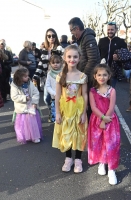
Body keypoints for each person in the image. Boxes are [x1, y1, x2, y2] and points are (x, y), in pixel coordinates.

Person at [52, 45, 88, 173]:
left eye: (75, 57)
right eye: (69, 56)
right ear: (64, 58)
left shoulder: (82, 76)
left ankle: (78, 159)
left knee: (79, 132)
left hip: (78, 108)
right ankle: (68, 158)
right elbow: (57, 96)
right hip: (65, 108)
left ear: (79, 58)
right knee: (66, 133)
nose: (72, 59)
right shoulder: (60, 75)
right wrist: (57, 112)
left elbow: (84, 95)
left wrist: (84, 112)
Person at [88, 64, 120, 185]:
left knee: (111, 144)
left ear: (109, 76)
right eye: (99, 75)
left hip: (110, 121)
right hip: (96, 120)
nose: (102, 77)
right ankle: (102, 162)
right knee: (99, 142)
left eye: (105, 75)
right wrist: (101, 118)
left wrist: (105, 120)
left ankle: (111, 169)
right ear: (95, 76)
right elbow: (93, 107)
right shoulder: (92, 91)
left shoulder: (112, 90)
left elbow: (112, 107)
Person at [11, 67, 42, 144]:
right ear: (20, 78)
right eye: (25, 76)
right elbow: (14, 97)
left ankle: (35, 136)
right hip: (22, 107)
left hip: (31, 105)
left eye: (27, 76)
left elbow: (36, 92)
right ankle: (25, 136)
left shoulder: (29, 83)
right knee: (23, 123)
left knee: (32, 122)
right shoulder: (14, 85)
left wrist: (34, 102)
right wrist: (24, 98)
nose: (28, 77)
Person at [68, 17, 100, 85]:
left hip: (89, 77)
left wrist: (83, 76)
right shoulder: (82, 38)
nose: (71, 33)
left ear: (77, 28)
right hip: (86, 76)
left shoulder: (88, 38)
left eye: (71, 30)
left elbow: (92, 60)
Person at [98, 22, 127, 87]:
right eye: (108, 30)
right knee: (101, 90)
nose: (110, 31)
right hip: (102, 70)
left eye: (112, 30)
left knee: (110, 91)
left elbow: (126, 57)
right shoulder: (102, 41)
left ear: (116, 30)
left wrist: (119, 57)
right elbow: (97, 54)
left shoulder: (121, 41)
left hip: (113, 72)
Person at [45, 55, 62, 122]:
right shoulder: (49, 74)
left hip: (63, 97)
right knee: (55, 114)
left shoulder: (63, 73)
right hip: (54, 97)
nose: (55, 64)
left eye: (57, 63)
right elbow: (47, 86)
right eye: (53, 63)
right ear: (50, 64)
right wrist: (54, 93)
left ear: (61, 63)